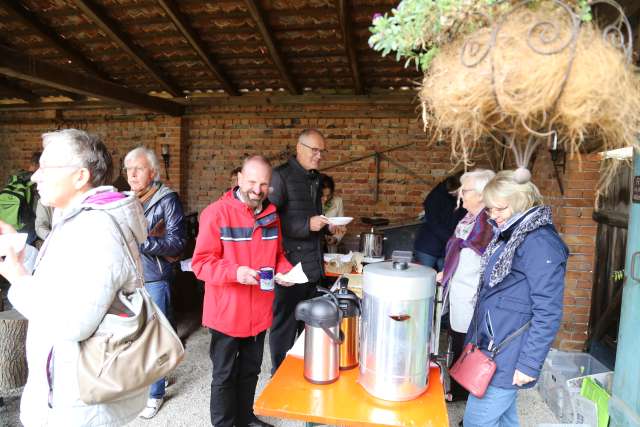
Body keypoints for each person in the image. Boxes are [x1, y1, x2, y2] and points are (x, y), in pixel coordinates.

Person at [0, 129, 147, 426]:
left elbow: (73, 322)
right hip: (71, 392)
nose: (34, 177)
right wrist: (23, 254)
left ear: (80, 177)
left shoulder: (94, 230)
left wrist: (17, 278)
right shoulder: (78, 220)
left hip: (80, 405)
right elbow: (64, 281)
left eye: (46, 168)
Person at [191, 155, 293, 427]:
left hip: (259, 312)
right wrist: (235, 273)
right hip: (226, 312)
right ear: (239, 179)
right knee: (224, 374)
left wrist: (285, 270)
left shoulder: (272, 215)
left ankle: (245, 418)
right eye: (251, 182)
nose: (257, 190)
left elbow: (278, 255)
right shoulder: (216, 213)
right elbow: (200, 264)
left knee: (250, 370)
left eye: (264, 184)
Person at [462, 170, 568, 427]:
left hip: (508, 351)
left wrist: (530, 364)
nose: (493, 216)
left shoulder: (541, 243)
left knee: (477, 422)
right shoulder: (512, 232)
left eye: (501, 208)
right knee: (505, 420)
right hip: (496, 344)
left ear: (521, 202)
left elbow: (548, 312)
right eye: (489, 209)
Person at [124, 146, 186, 419]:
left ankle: (155, 393)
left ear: (152, 171)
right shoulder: (127, 198)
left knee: (154, 336)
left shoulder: (167, 199)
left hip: (155, 276)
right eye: (128, 169)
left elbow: (178, 242)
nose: (132, 174)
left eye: (137, 169)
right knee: (148, 332)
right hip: (132, 276)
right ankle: (157, 376)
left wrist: (140, 241)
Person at [268, 129, 336, 374]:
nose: (319, 155)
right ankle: (279, 374)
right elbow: (269, 221)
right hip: (289, 266)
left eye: (322, 151)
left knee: (306, 323)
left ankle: (298, 369)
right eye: (314, 150)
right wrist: (307, 225)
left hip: (312, 264)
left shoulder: (315, 178)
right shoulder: (280, 176)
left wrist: (327, 228)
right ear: (299, 148)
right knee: (284, 324)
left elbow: (310, 216)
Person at [436, 169, 495, 402]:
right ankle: (459, 391)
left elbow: (480, 261)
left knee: (470, 348)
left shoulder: (487, 222)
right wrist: (446, 272)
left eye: (466, 190)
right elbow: (460, 252)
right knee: (458, 342)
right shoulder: (469, 217)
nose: (461, 194)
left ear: (481, 195)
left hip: (472, 294)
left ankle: (468, 394)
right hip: (459, 290)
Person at [414, 172, 467, 270]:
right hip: (429, 247)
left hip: (447, 248)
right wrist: (453, 240)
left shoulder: (462, 200)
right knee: (424, 278)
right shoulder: (435, 197)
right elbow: (434, 224)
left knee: (445, 281)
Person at [320, 173, 346, 253]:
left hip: (330, 247)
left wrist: (335, 239)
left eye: (329, 195)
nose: (325, 198)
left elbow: (342, 226)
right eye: (322, 195)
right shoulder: (311, 202)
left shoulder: (338, 202)